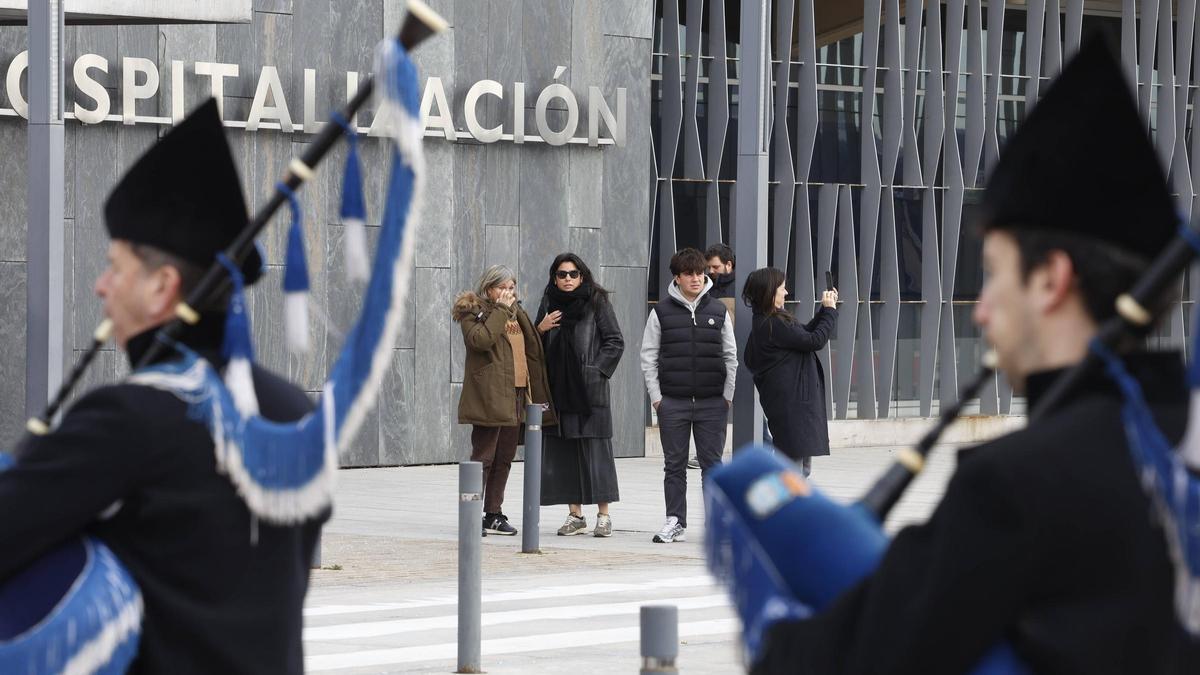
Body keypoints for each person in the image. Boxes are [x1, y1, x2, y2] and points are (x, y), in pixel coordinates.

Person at [750, 35, 1200, 674]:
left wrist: (774, 610)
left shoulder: (1015, 484)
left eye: (993, 275)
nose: (982, 310)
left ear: (1051, 280)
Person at [0, 99, 324, 673]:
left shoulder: (130, 417)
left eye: (115, 267)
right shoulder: (293, 409)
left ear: (160, 288)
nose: (101, 286)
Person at [641, 247, 737, 543]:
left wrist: (727, 396)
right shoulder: (661, 312)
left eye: (700, 273)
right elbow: (648, 356)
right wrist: (657, 398)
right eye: (689, 274)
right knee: (674, 465)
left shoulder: (718, 310)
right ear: (677, 278)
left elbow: (730, 355)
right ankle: (675, 521)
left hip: (712, 403)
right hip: (673, 403)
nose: (696, 279)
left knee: (713, 466)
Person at [453, 265, 555, 537]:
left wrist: (538, 330)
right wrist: (499, 310)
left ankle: (493, 513)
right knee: (484, 456)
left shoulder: (515, 313)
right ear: (489, 289)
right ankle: (471, 514)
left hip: (517, 394)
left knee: (505, 457)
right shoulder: (472, 311)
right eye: (502, 287)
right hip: (490, 394)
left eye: (511, 287)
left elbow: (526, 348)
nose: (508, 293)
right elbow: (481, 341)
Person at [535, 253, 625, 537]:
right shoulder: (548, 302)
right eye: (562, 274)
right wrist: (541, 328)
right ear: (554, 277)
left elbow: (615, 341)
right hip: (559, 389)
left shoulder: (596, 301)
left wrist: (594, 370)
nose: (568, 279)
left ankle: (603, 515)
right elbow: (533, 347)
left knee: (597, 452)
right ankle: (575, 515)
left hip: (590, 391)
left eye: (573, 274)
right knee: (566, 453)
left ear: (582, 276)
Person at [742, 267, 837, 477]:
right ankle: (785, 507)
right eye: (782, 289)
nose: (786, 293)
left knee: (798, 467)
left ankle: (791, 504)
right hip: (791, 406)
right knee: (792, 470)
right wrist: (829, 312)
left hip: (791, 404)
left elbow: (803, 334)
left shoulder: (771, 319)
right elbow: (814, 340)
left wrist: (824, 310)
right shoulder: (773, 323)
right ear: (769, 292)